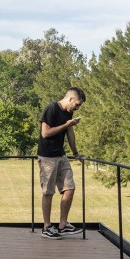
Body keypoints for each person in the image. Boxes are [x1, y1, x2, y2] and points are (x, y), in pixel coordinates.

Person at [37, 87, 86, 238]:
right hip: (47, 157)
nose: (77, 108)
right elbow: (45, 133)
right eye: (77, 104)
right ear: (71, 99)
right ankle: (47, 227)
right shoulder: (51, 108)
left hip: (61, 156)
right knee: (48, 192)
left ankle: (63, 225)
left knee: (69, 189)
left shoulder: (69, 113)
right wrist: (66, 125)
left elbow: (70, 133)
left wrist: (76, 153)